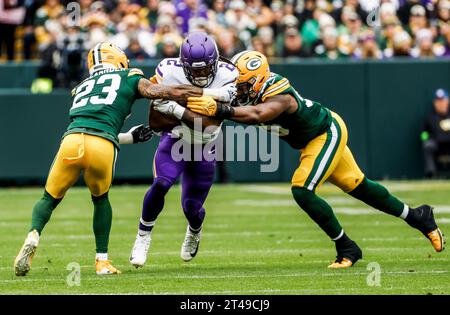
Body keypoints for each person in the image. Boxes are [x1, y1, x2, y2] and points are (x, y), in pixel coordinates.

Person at [186, 50, 445, 268]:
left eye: (242, 85)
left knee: (302, 189)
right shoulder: (248, 87)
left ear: (256, 82)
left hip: (325, 132)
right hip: (310, 141)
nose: (236, 88)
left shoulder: (280, 95)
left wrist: (220, 109)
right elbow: (222, 95)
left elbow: (256, 114)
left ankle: (347, 247)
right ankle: (418, 216)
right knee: (358, 185)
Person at [14, 41, 231, 276]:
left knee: (49, 198)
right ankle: (102, 262)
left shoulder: (81, 86)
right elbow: (156, 93)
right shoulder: (130, 75)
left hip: (71, 140)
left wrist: (129, 137)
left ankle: (33, 234)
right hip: (103, 144)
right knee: (100, 200)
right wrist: (193, 95)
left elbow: (90, 124)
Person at [129, 31, 238, 267]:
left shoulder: (228, 74)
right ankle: (142, 236)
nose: (200, 74)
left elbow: (208, 127)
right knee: (161, 184)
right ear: (184, 65)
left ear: (215, 61)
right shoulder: (168, 70)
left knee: (192, 207)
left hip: (204, 146)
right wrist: (193, 105)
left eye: (205, 69)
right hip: (174, 140)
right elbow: (155, 118)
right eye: (195, 70)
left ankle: (194, 231)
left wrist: (177, 106)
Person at [422, 88, 450, 178]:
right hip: (437, 145)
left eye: (442, 101)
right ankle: (431, 172)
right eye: (438, 101)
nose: (440, 104)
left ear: (447, 101)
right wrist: (427, 138)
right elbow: (423, 134)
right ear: (435, 103)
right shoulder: (430, 117)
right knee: (427, 145)